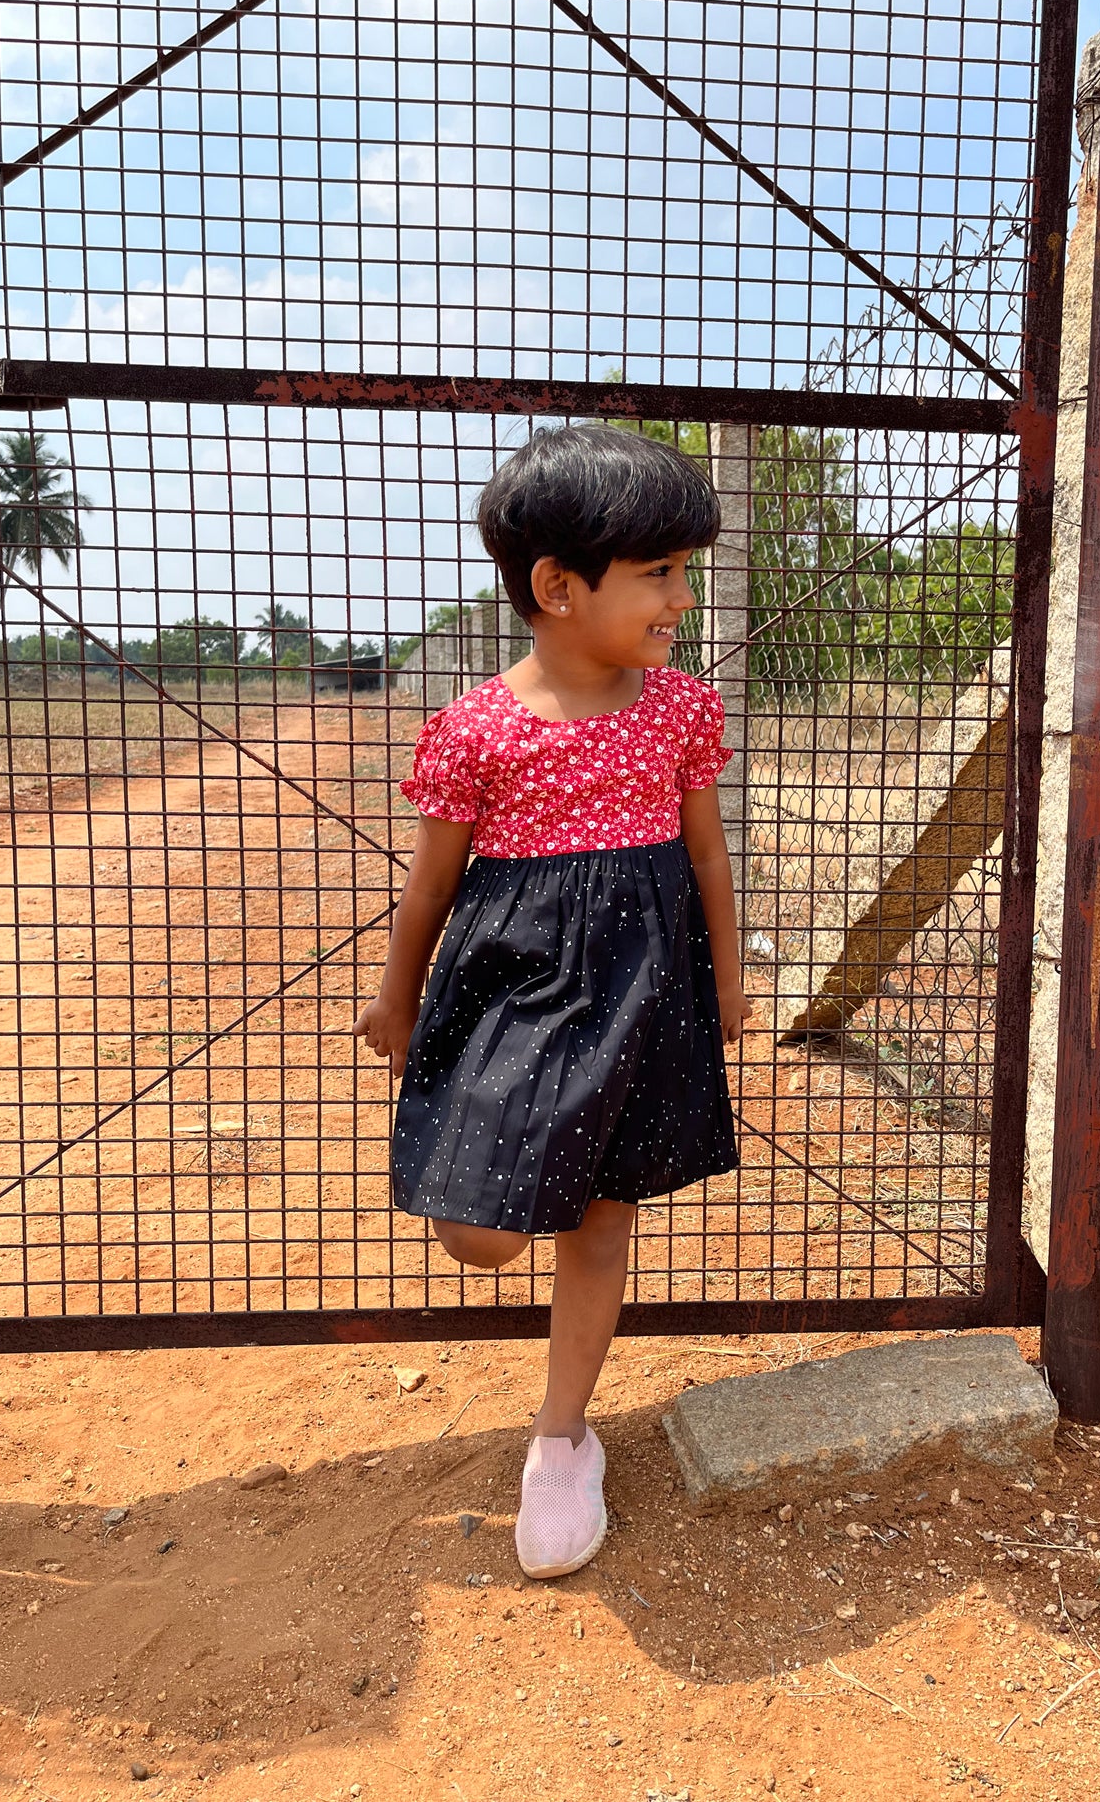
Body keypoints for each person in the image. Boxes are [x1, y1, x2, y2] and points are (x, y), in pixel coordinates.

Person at [353, 422, 751, 1581]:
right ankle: (553, 1397)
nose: (681, 598)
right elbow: (431, 885)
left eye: (684, 571)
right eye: (658, 573)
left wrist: (726, 978)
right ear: (557, 587)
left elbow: (707, 855)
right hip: (514, 991)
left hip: (643, 988)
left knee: (600, 1217)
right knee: (477, 1231)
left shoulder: (679, 710)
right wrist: (395, 997)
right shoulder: (474, 728)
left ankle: (562, 1435)